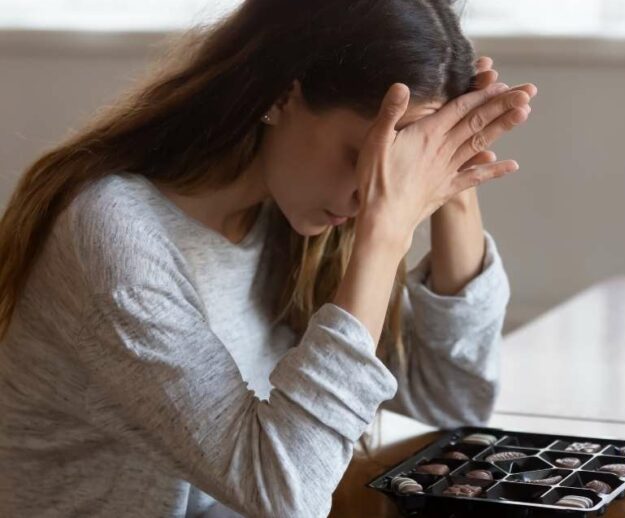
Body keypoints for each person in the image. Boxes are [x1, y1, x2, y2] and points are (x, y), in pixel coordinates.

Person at [0, 0, 536, 516]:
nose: (372, 192)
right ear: (280, 95)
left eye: (399, 166)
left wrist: (454, 183)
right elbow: (285, 494)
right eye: (360, 156)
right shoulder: (114, 236)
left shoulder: (286, 216)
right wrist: (386, 232)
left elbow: (454, 402)